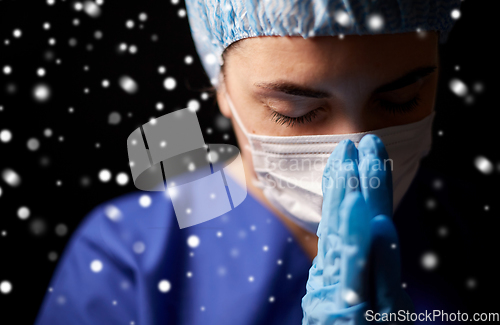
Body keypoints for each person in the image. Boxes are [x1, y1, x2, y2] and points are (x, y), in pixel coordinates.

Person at [35, 0, 469, 324]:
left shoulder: (466, 224)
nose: (354, 148)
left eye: (400, 101)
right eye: (294, 111)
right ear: (220, 87)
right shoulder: (128, 257)